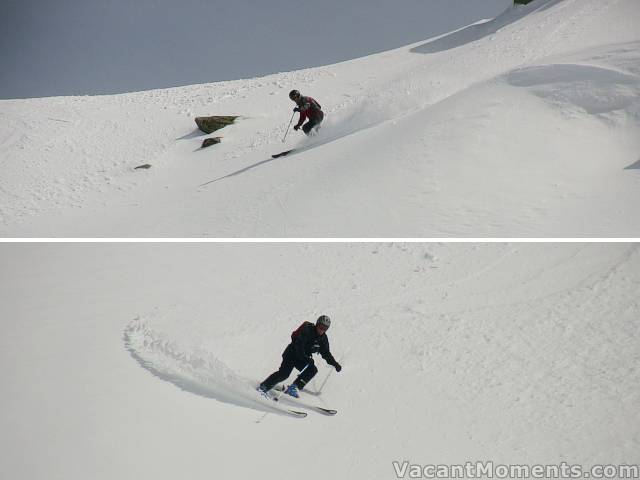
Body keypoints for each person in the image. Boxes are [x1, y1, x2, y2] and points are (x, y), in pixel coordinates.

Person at [259, 315, 342, 398]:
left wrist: (335, 363)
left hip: (302, 359)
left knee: (312, 370)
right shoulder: (308, 330)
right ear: (317, 324)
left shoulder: (323, 339)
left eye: (325, 328)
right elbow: (298, 345)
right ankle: (263, 387)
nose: (322, 330)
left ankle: (294, 387)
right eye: (321, 327)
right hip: (291, 354)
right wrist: (306, 358)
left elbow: (326, 353)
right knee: (284, 374)